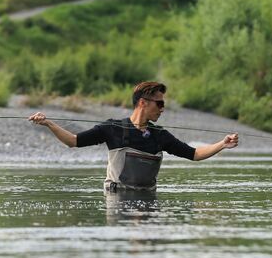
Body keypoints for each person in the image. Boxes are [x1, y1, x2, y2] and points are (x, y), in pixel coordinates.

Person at [28, 81, 239, 192]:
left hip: (148, 199)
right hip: (116, 200)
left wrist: (222, 144)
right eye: (160, 103)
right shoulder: (112, 128)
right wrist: (49, 124)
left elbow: (194, 154)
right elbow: (74, 141)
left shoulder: (160, 135)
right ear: (143, 103)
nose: (162, 109)